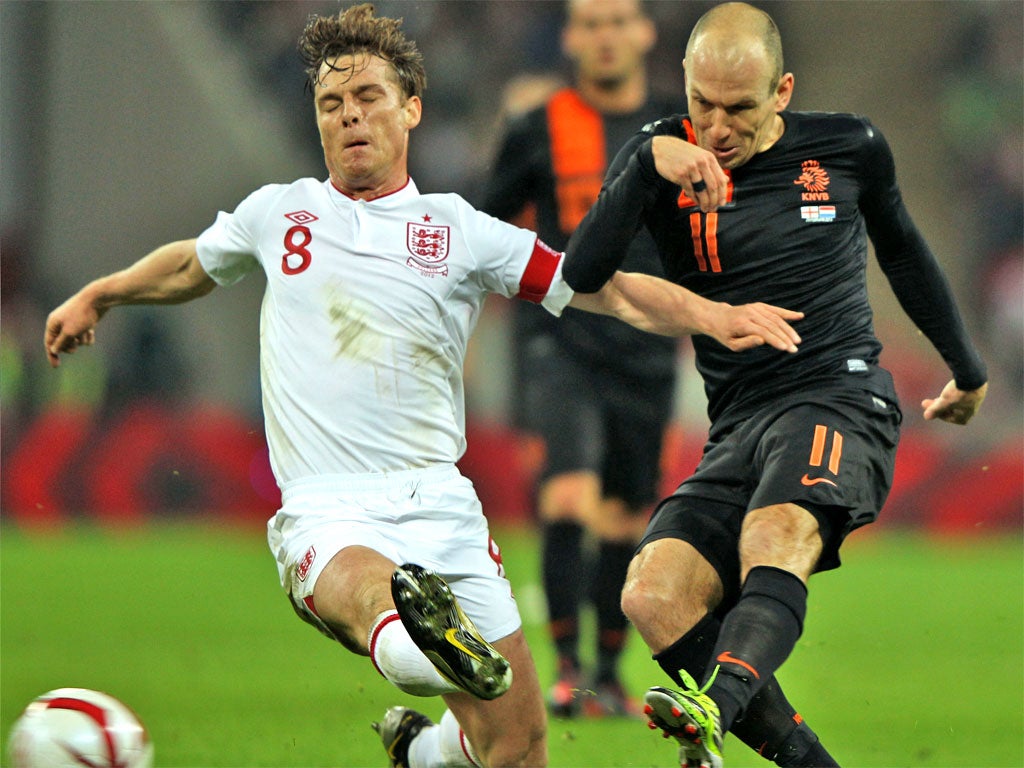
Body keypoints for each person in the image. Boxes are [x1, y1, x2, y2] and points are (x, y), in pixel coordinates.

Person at [43, 5, 807, 767]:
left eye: (368, 98)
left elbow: (605, 289)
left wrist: (715, 313)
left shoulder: (461, 232)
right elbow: (190, 264)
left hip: (442, 507)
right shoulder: (281, 214)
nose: (350, 117)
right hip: (328, 510)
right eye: (331, 105)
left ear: (411, 107)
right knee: (389, 608)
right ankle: (419, 641)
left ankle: (421, 751)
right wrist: (100, 295)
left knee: (515, 745)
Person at [562, 3, 989, 767]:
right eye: (701, 104)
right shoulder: (660, 156)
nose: (716, 127)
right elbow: (581, 275)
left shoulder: (849, 147)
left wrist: (968, 369)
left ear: (783, 91)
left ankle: (710, 710)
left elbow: (905, 256)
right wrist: (642, 168)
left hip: (839, 395)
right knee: (652, 596)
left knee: (775, 534)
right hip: (738, 423)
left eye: (739, 108)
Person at [480, 0, 681, 719]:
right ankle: (565, 670)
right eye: (590, 23)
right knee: (567, 496)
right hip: (559, 339)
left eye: (617, 21)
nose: (604, 36)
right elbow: (482, 223)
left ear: (644, 32)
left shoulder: (676, 129)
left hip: (648, 349)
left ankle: (607, 671)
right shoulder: (537, 127)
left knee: (627, 519)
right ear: (569, 38)